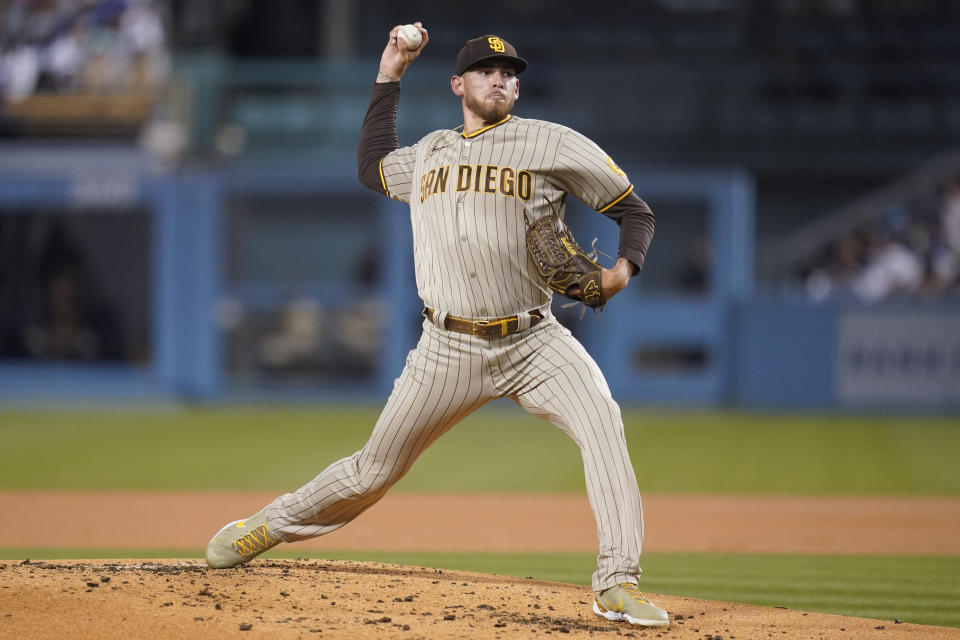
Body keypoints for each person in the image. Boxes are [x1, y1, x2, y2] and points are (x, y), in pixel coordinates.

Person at [205, 23, 667, 628]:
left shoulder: (551, 144)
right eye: (486, 71)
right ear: (458, 85)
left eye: (509, 74)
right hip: (446, 348)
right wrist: (390, 70)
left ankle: (617, 583)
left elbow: (634, 210)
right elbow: (372, 165)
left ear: (518, 90)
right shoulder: (429, 154)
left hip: (535, 340)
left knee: (604, 424)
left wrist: (622, 272)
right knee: (373, 470)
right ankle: (265, 525)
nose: (500, 79)